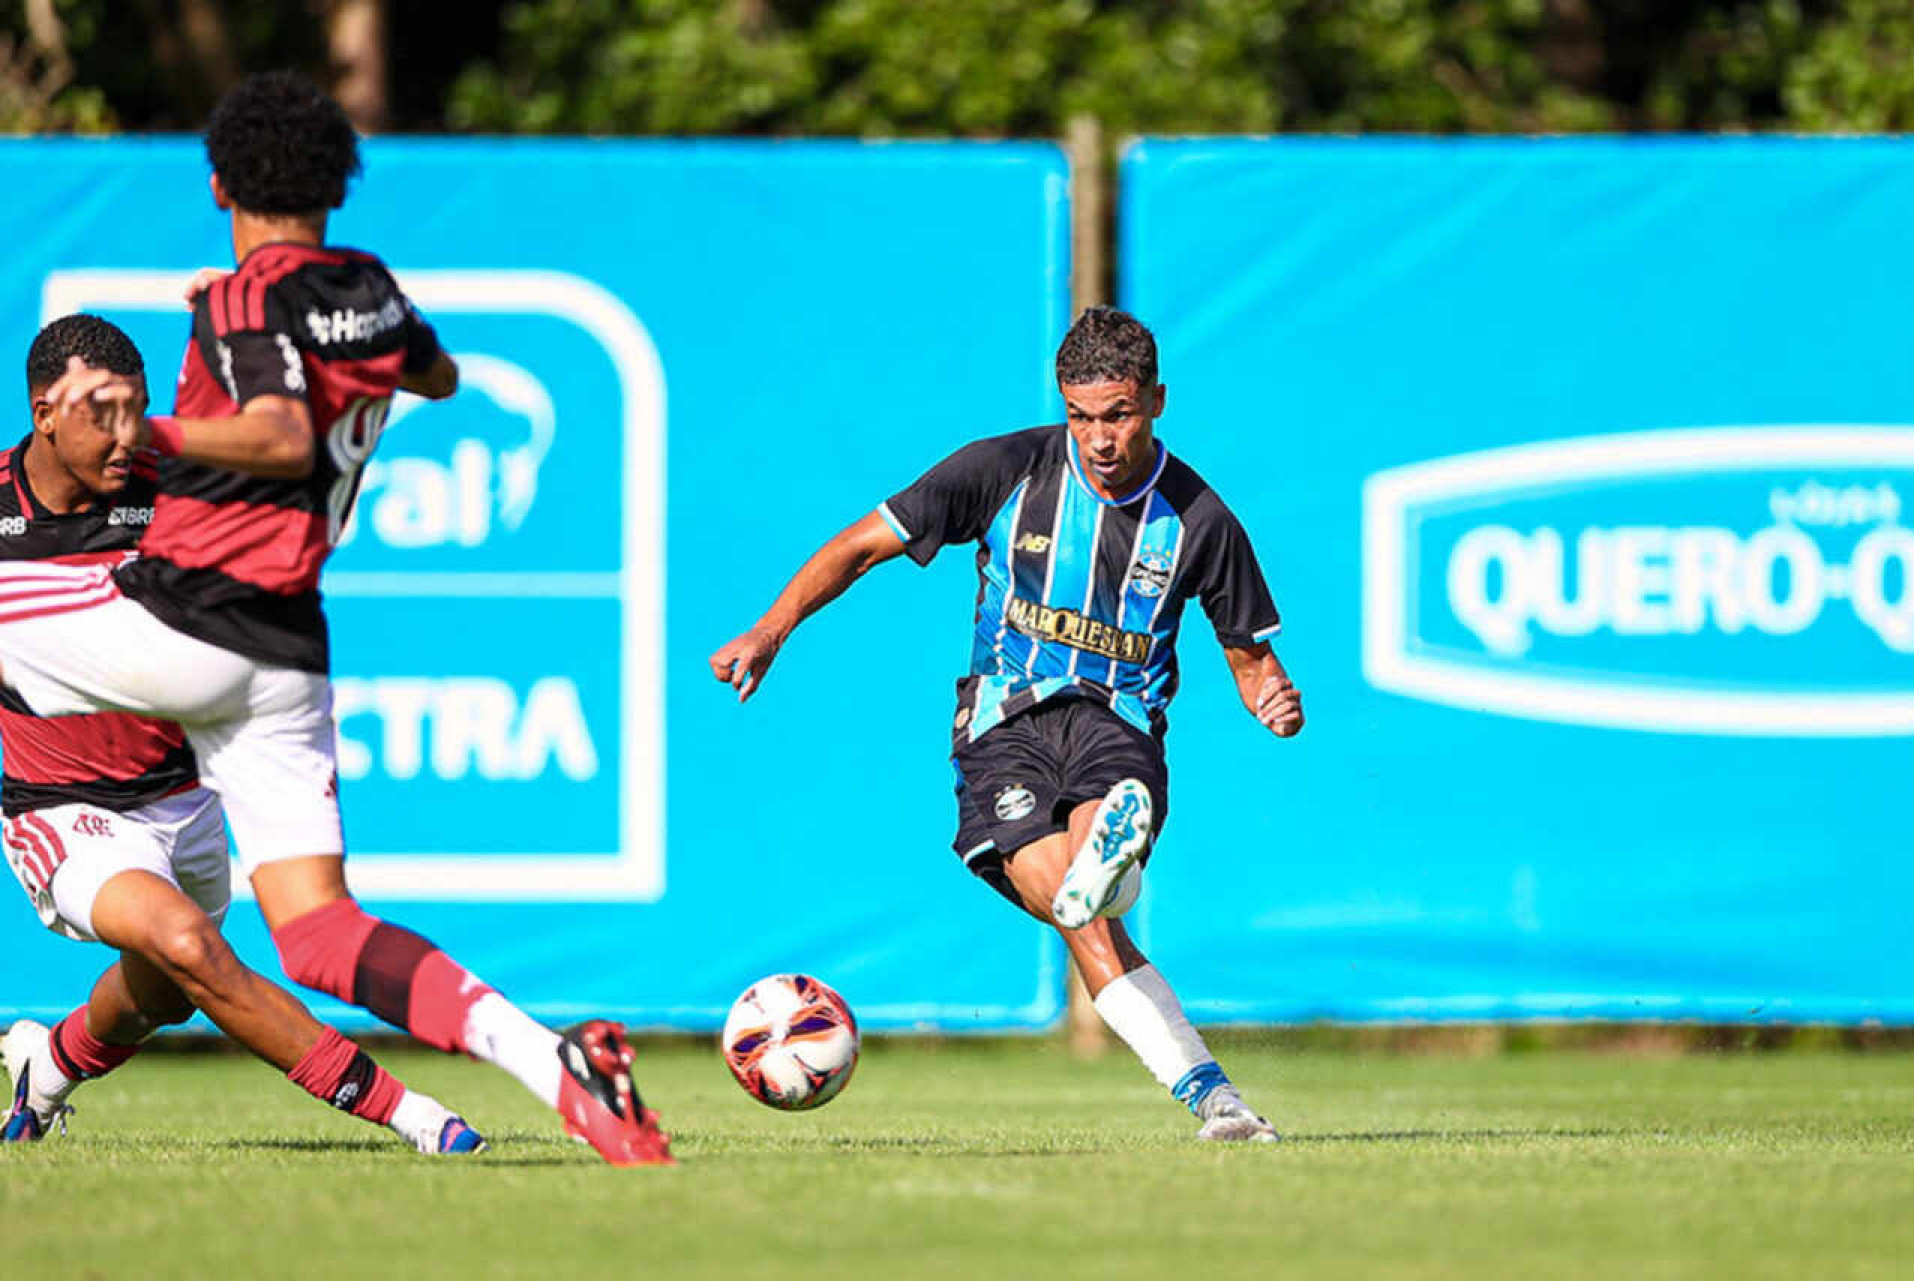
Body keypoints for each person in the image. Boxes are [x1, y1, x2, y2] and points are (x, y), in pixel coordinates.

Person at [1, 72, 669, 1166]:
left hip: (184, 633)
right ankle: (559, 1064)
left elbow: (272, 436)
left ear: (220, 183)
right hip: (286, 654)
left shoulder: (238, 300)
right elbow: (441, 376)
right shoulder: (370, 290)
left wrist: (164, 432)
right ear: (339, 185)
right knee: (316, 934)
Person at [711, 305, 1304, 1141]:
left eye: (1119, 414)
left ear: (1157, 401)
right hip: (1001, 728)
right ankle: (1209, 1081)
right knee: (1079, 909)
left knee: (1092, 869)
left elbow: (1254, 666)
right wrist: (772, 628)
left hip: (1115, 717)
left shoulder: (1201, 517)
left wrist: (1274, 700)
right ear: (1065, 405)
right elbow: (859, 545)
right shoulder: (1005, 470)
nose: (1100, 437)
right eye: (1082, 416)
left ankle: (1127, 882)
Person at [1, 314, 482, 1155]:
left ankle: (45, 1069)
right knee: (185, 941)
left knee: (165, 987)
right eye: (102, 414)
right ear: (45, 412)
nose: (127, 435)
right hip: (58, 807)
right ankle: (412, 1115)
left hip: (187, 797)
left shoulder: (173, 483)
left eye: (138, 409)